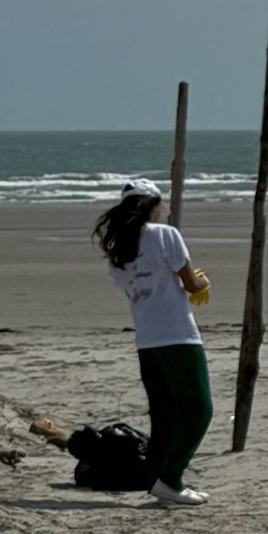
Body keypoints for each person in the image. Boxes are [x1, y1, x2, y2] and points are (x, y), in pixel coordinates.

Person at [91, 178, 214, 507]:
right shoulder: (166, 235)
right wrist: (202, 281)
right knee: (198, 408)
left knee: (164, 413)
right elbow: (190, 283)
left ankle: (155, 477)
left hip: (147, 339)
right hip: (177, 334)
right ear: (154, 206)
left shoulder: (117, 246)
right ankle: (171, 478)